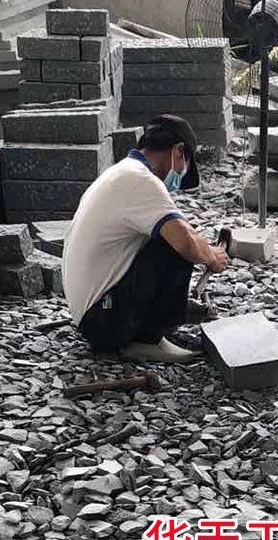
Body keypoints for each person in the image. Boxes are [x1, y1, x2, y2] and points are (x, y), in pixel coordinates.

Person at [62, 114, 229, 365]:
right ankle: (148, 340)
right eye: (184, 166)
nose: (180, 176)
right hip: (103, 324)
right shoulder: (141, 181)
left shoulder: (122, 172)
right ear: (178, 152)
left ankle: (148, 323)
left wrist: (204, 247)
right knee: (175, 245)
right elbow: (185, 241)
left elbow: (185, 229)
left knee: (173, 235)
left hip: (93, 314)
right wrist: (211, 257)